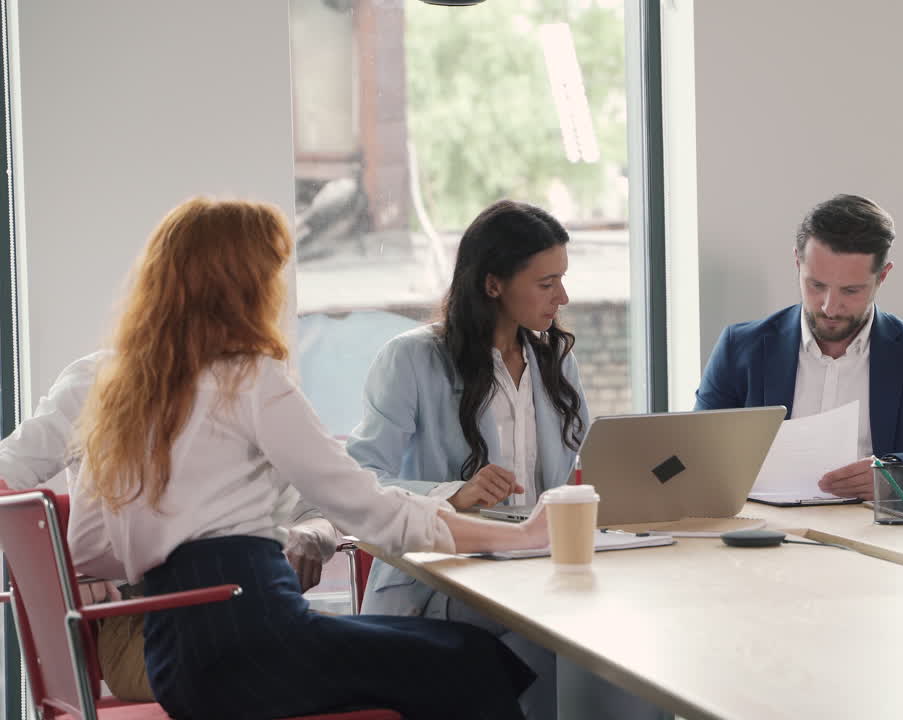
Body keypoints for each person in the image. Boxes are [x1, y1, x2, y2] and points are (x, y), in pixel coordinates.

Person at [67, 197, 547, 720]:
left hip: (175, 662)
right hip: (256, 647)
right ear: (242, 286)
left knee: (445, 651)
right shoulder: (248, 379)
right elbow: (370, 510)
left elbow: (87, 547)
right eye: (272, 272)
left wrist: (170, 543)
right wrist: (522, 536)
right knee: (468, 659)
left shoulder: (126, 395)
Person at [347, 199, 663, 720]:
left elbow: (574, 476)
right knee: (569, 636)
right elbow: (361, 480)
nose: (562, 296)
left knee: (630, 631)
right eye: (546, 283)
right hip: (448, 578)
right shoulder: (411, 358)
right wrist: (453, 493)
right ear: (493, 284)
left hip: (540, 567)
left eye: (562, 279)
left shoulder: (555, 362)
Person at [0, 350, 339, 702]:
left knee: (366, 662)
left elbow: (314, 511)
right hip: (146, 623)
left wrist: (312, 534)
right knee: (341, 669)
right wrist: (62, 572)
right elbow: (7, 477)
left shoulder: (252, 387)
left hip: (258, 607)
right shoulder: (95, 381)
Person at [695, 193, 903, 498]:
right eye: (816, 285)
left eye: (851, 291)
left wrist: (893, 473)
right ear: (797, 262)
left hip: (876, 536)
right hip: (767, 536)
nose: (830, 307)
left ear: (882, 276)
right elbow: (696, 458)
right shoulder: (740, 347)